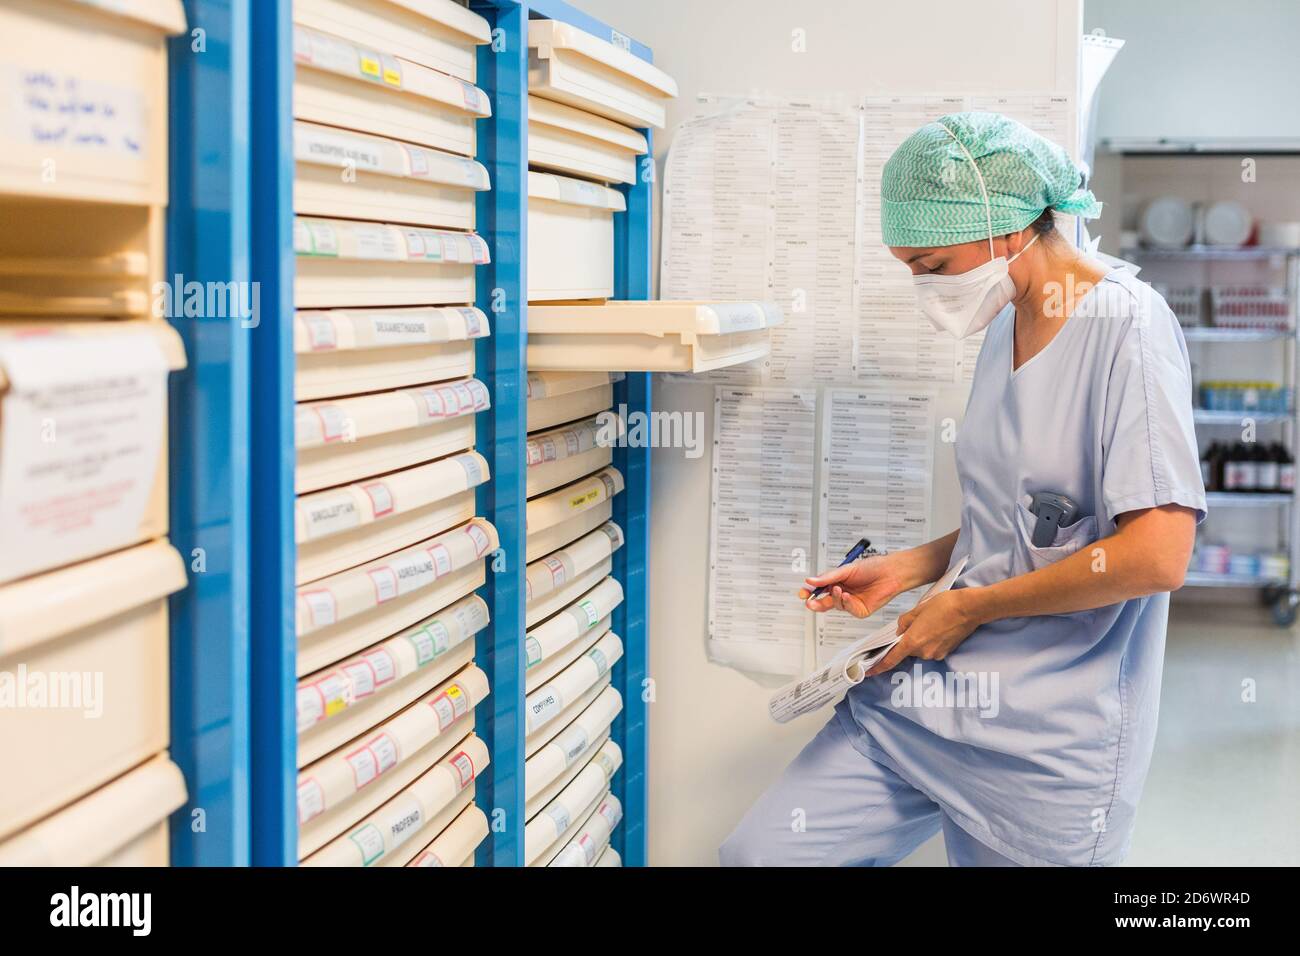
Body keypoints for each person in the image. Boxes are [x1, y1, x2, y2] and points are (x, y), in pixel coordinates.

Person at [720, 112, 1206, 867]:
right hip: (929, 701)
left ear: (1008, 230)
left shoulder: (1127, 331)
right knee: (760, 856)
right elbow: (1037, 513)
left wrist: (969, 605)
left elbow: (1157, 554)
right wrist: (913, 567)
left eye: (934, 265)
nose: (923, 287)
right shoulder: (1010, 318)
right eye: (908, 266)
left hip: (1049, 741)